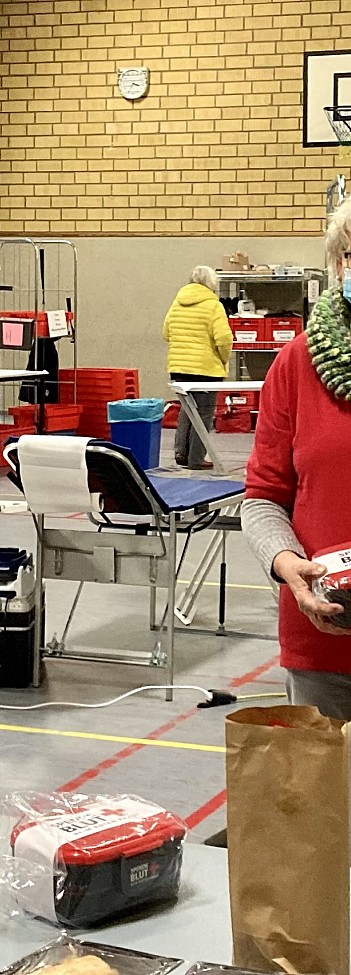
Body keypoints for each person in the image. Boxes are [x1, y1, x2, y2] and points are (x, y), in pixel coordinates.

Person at [242, 197, 351, 720]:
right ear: (338, 265)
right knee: (328, 802)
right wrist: (289, 567)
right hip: (324, 644)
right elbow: (263, 498)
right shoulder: (298, 362)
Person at [161, 265, 232, 469]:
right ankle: (196, 459)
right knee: (204, 413)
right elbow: (224, 338)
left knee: (187, 409)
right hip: (205, 369)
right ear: (211, 284)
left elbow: (166, 333)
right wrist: (223, 359)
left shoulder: (178, 302)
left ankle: (181, 453)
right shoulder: (213, 305)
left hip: (178, 367)